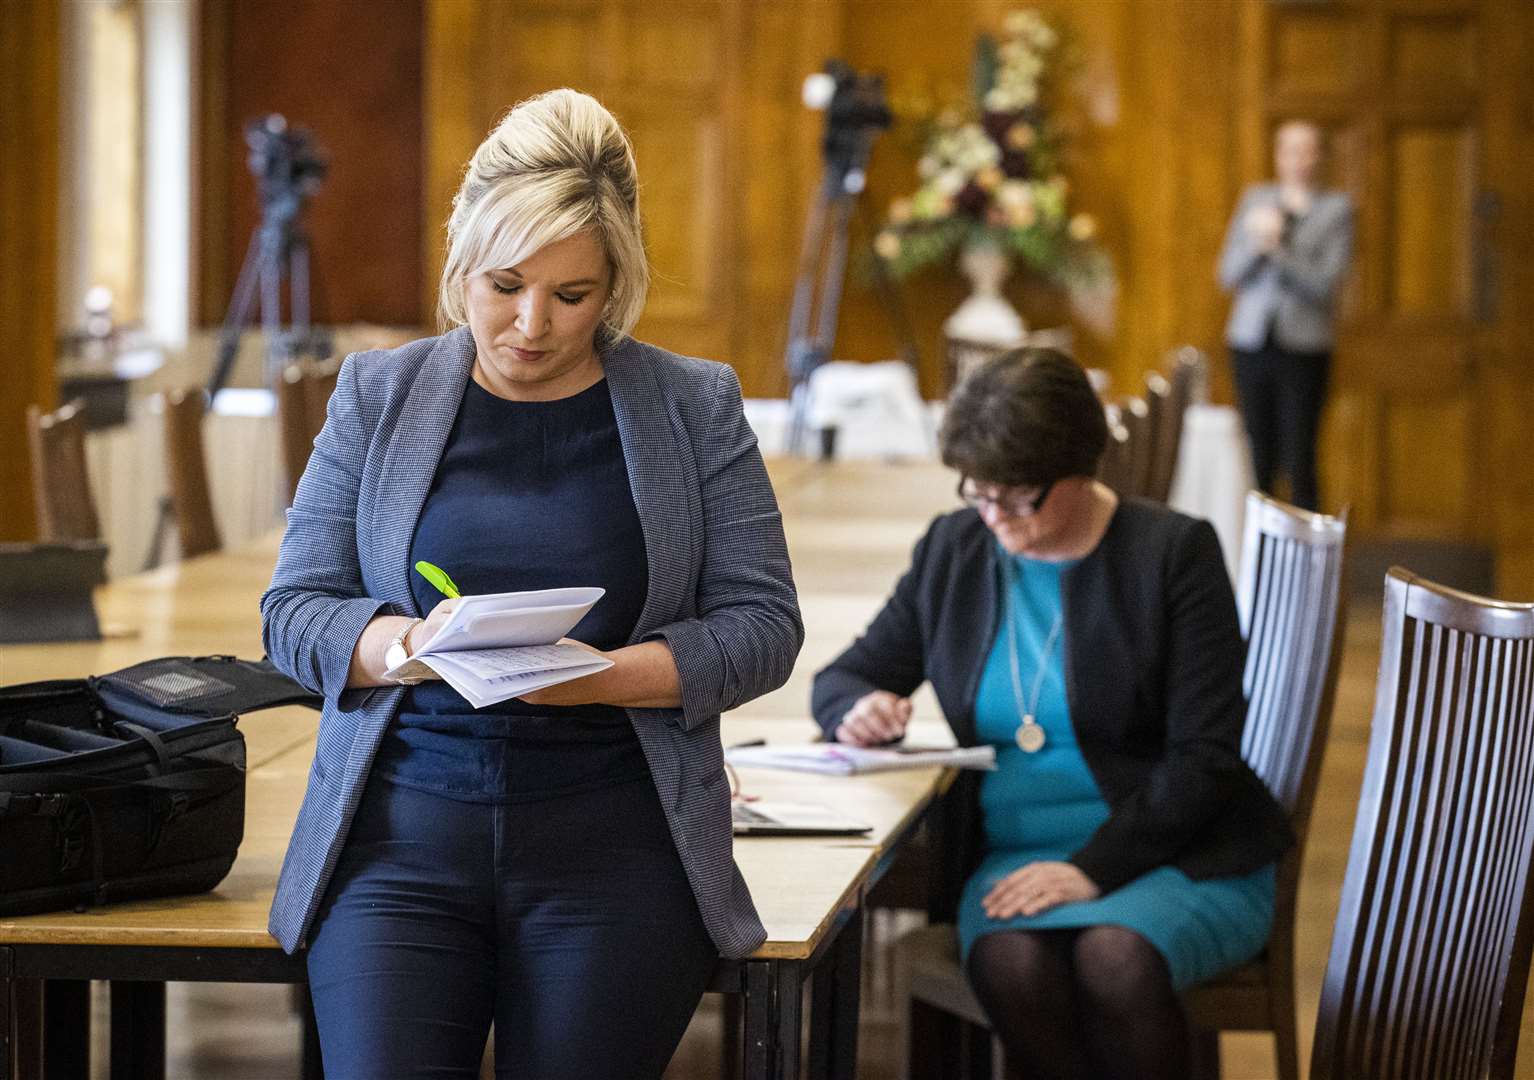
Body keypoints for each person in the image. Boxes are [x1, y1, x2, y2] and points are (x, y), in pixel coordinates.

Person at [261, 88, 803, 1079]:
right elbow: (292, 615)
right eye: (503, 284)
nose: (528, 325)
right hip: (398, 843)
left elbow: (763, 626)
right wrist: (407, 649)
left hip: (617, 846)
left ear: (616, 286)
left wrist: (597, 677)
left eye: (572, 296)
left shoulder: (693, 406)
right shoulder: (376, 396)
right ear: (462, 262)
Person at [812, 349, 1292, 1080]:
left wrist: (1092, 869)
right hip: (1015, 857)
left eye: (1019, 496)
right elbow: (846, 675)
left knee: (1115, 957)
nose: (994, 514)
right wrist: (858, 709)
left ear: (1082, 467)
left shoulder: (1172, 554)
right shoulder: (957, 549)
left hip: (1180, 850)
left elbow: (1207, 757)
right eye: (980, 492)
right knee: (1011, 961)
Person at [1218, 119, 1353, 512]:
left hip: (1304, 348)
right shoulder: (1255, 199)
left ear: (1320, 156)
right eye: (1290, 150)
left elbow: (1325, 286)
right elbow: (1228, 273)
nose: (1298, 160)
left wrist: (1279, 249)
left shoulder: (1336, 210)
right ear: (1278, 155)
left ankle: (1309, 562)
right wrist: (1257, 248)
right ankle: (1262, 558)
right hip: (1251, 342)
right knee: (1258, 455)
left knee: (1300, 458)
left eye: (1307, 150)